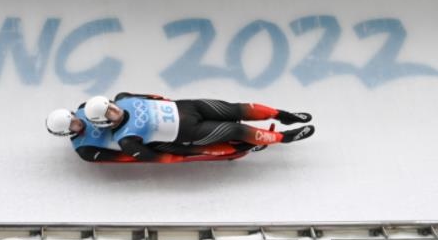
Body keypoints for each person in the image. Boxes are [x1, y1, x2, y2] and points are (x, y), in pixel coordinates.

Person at [82, 92, 314, 162]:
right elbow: (154, 156)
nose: (115, 110)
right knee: (235, 129)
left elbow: (153, 96)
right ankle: (284, 137)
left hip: (190, 107)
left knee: (237, 109)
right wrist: (183, 154)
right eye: (109, 113)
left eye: (111, 105)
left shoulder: (123, 97)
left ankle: (283, 115)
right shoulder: (125, 139)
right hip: (190, 132)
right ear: (104, 121)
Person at [46, 104, 261, 163]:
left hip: (145, 124)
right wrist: (140, 153)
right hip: (144, 142)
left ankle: (236, 129)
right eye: (72, 125)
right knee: (188, 149)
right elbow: (121, 158)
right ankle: (236, 147)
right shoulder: (84, 149)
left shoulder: (86, 107)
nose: (77, 122)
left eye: (73, 118)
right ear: (66, 133)